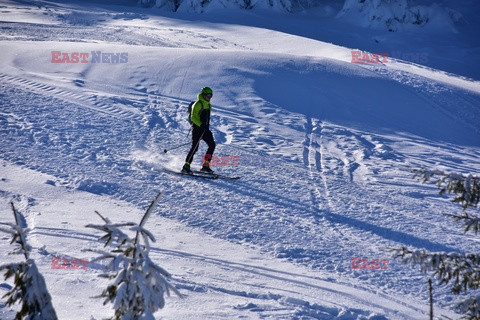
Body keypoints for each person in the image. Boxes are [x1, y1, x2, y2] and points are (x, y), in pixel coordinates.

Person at [182, 87, 216, 174]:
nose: (209, 97)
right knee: (195, 147)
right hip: (197, 128)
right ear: (204, 94)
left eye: (211, 95)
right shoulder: (198, 104)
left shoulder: (208, 105)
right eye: (208, 95)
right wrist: (201, 125)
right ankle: (186, 166)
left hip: (205, 129)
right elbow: (193, 117)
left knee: (212, 145)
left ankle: (206, 165)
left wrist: (206, 126)